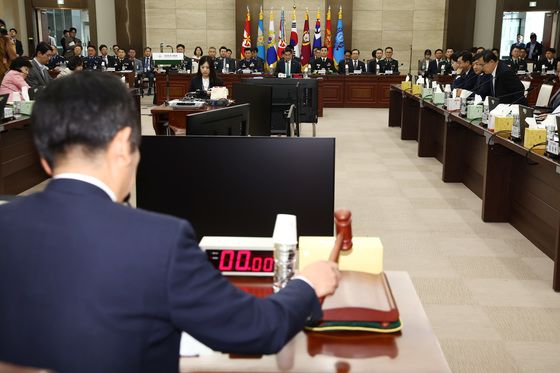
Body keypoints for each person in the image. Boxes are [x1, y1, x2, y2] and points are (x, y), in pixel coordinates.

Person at [0, 71, 340, 373]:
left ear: (45, 161)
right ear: (123, 145)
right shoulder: (160, 241)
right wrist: (308, 283)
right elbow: (260, 329)